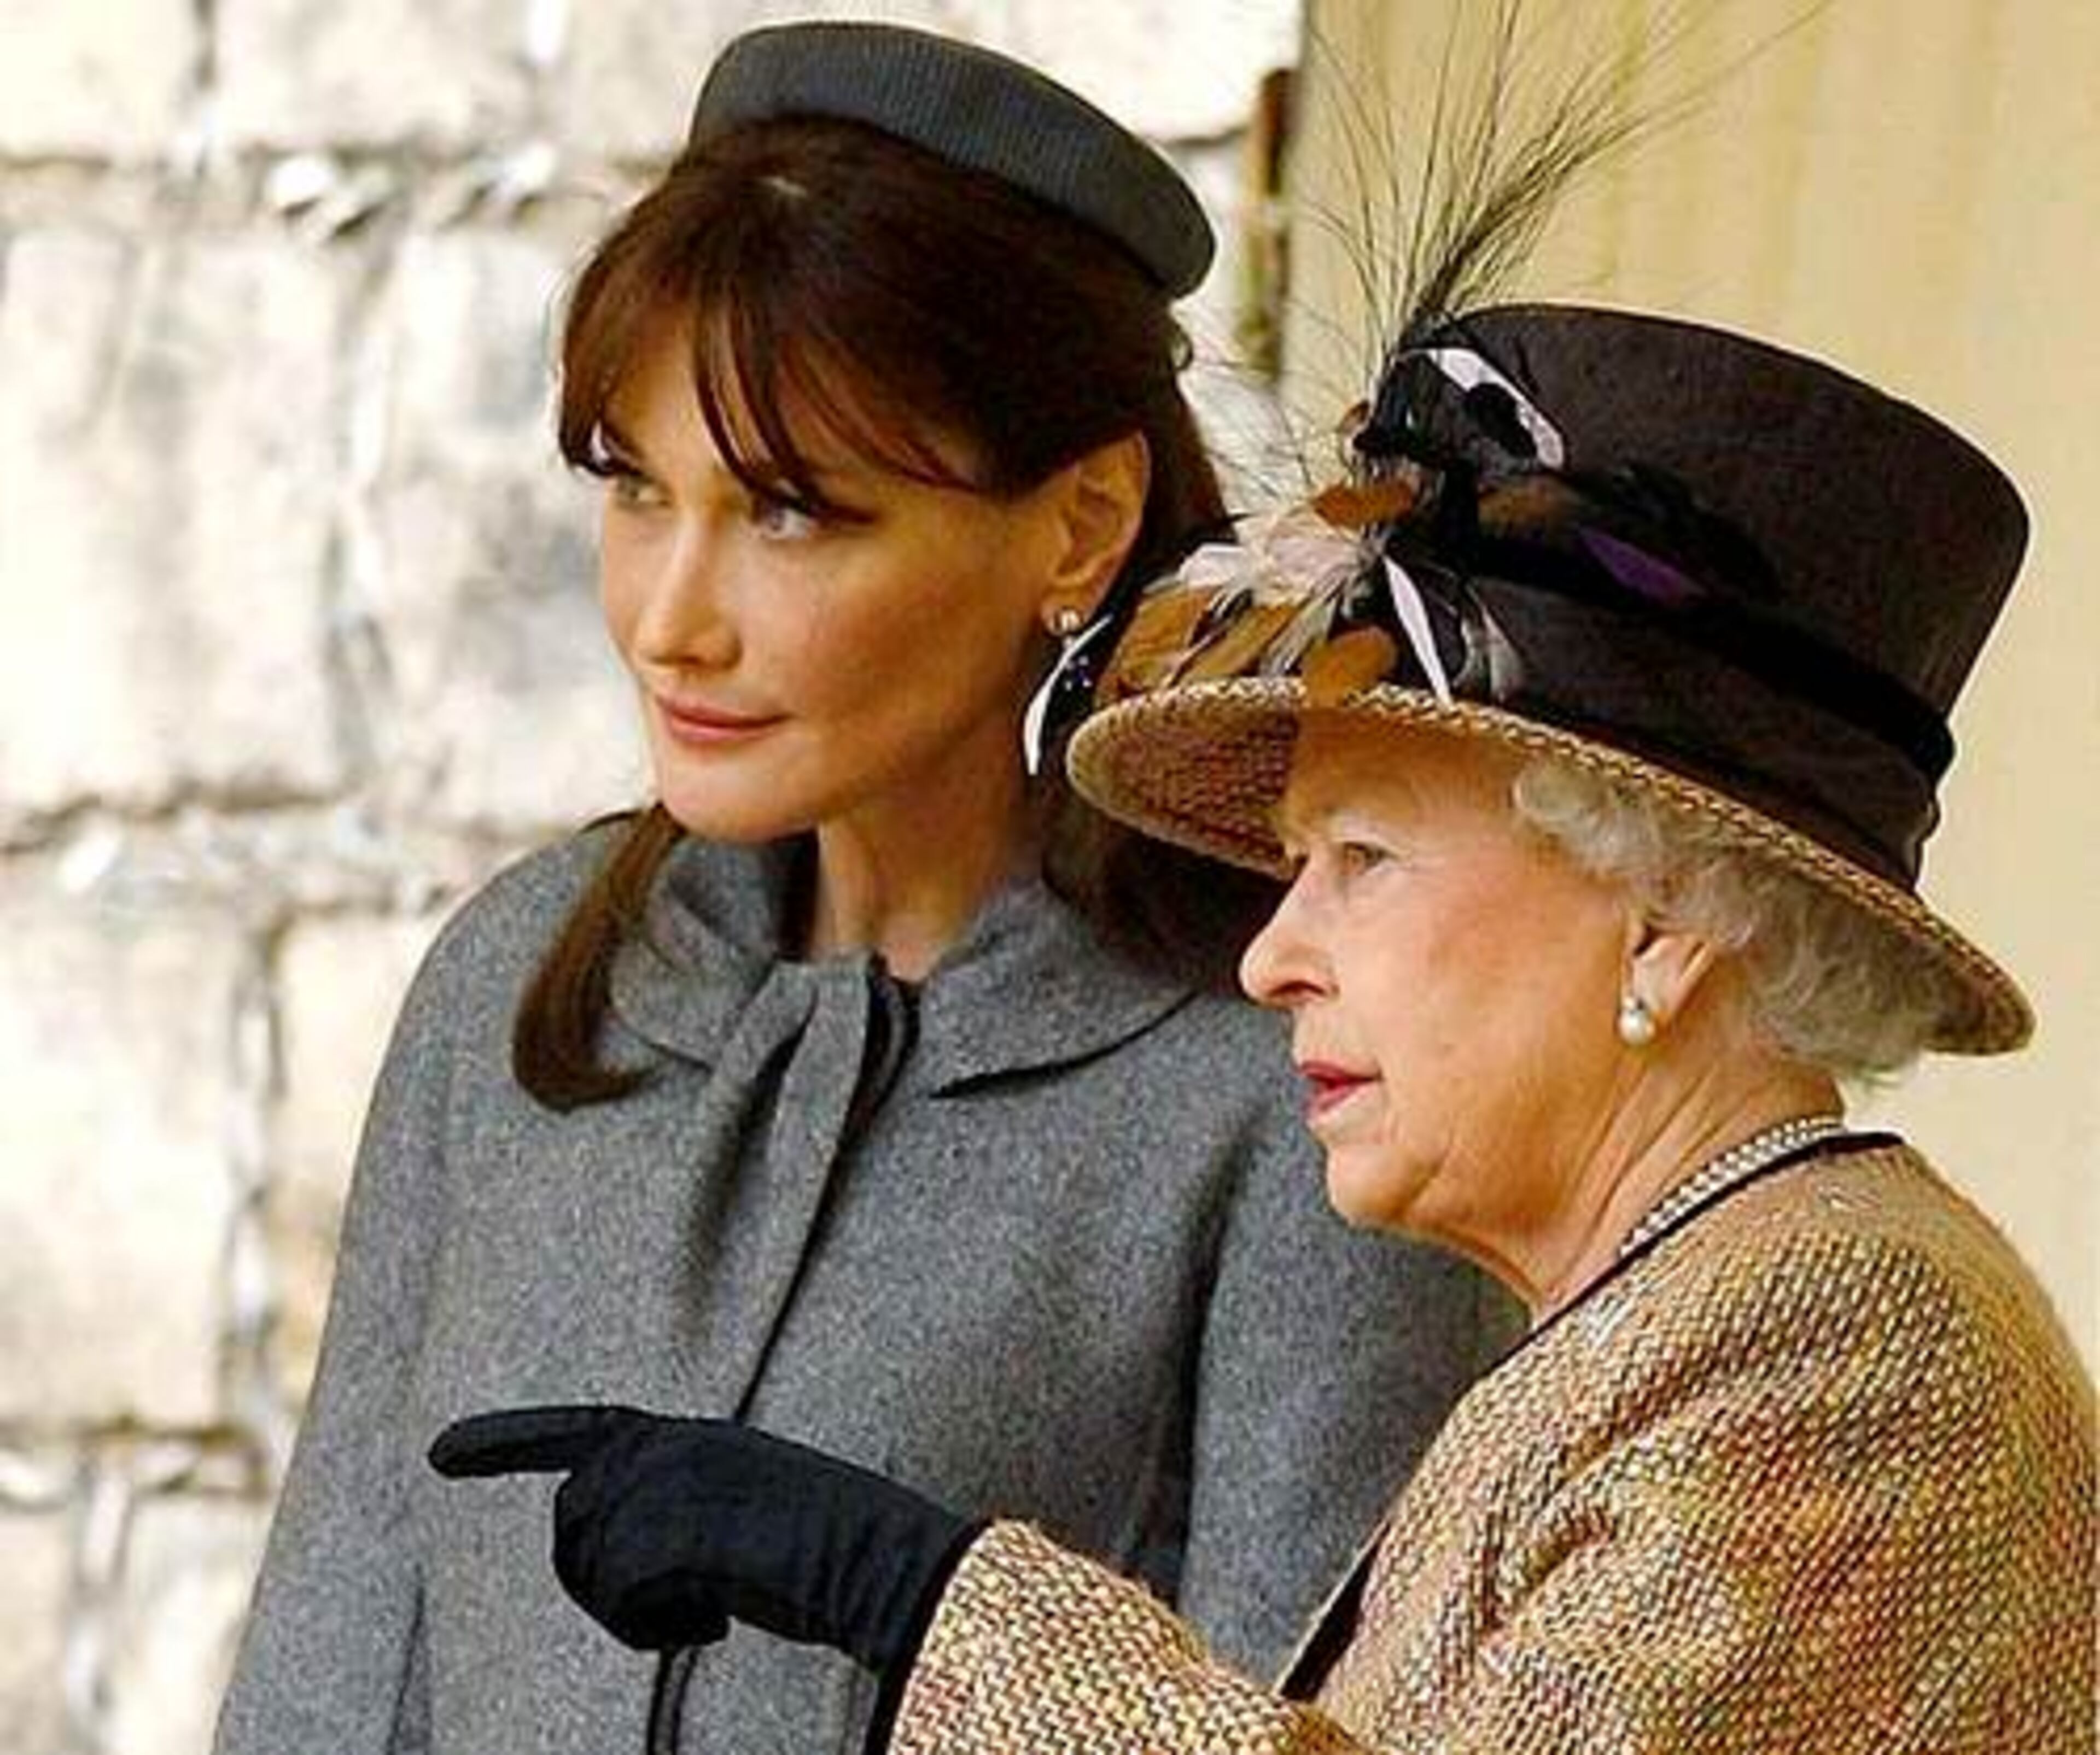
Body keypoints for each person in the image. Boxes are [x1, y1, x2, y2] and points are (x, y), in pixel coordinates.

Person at [433, 295, 2098, 1751]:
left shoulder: (1842, 1354)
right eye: (1294, 867)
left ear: (1672, 917)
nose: (1270, 956)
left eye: (1361, 859)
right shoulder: (1703, 1308)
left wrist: (922, 1594)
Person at [211, 19, 1504, 1755]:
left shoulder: (1299, 1079)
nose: (674, 614)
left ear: (1080, 524)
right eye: (636, 490)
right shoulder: (522, 990)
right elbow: (325, 1673)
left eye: (793, 513)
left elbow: (1324, 1733)